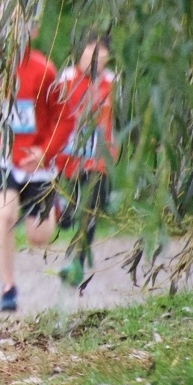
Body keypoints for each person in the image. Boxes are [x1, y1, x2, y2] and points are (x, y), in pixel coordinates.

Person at [0, 46, 64, 312]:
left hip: (37, 163)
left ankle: (56, 206)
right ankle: (8, 288)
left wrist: (45, 151)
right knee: (4, 215)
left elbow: (61, 118)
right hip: (6, 160)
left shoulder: (45, 69)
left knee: (38, 237)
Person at [51, 32, 116, 287]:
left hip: (98, 159)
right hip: (67, 157)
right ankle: (59, 211)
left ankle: (75, 263)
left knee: (90, 210)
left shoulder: (113, 84)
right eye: (90, 55)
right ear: (81, 54)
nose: (94, 62)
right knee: (68, 213)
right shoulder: (65, 80)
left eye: (100, 58)